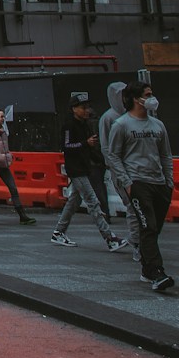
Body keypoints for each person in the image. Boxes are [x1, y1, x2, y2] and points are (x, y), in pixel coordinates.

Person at [106, 81, 174, 292]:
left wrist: (169, 180)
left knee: (154, 229)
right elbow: (113, 155)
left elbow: (165, 154)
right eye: (148, 94)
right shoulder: (121, 125)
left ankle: (146, 268)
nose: (152, 97)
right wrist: (127, 183)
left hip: (159, 183)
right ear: (136, 99)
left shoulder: (157, 125)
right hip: (138, 183)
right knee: (148, 226)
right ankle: (156, 272)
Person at [50, 91, 127, 251]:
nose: (87, 110)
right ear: (74, 109)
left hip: (84, 167)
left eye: (88, 107)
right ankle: (110, 239)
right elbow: (66, 146)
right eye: (83, 107)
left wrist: (100, 160)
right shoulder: (69, 126)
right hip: (76, 169)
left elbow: (88, 147)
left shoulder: (85, 124)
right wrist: (85, 143)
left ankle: (58, 232)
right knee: (93, 202)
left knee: (74, 201)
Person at [100, 80, 142, 258]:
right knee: (133, 207)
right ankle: (137, 241)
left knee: (137, 207)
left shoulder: (132, 115)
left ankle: (138, 240)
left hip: (135, 167)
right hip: (121, 170)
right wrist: (115, 168)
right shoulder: (109, 118)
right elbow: (106, 147)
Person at [0, 108, 36, 225]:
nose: (3, 118)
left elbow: (5, 148)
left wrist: (8, 156)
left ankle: (22, 216)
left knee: (13, 189)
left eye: (3, 116)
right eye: (1, 116)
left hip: (4, 165)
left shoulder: (4, 132)